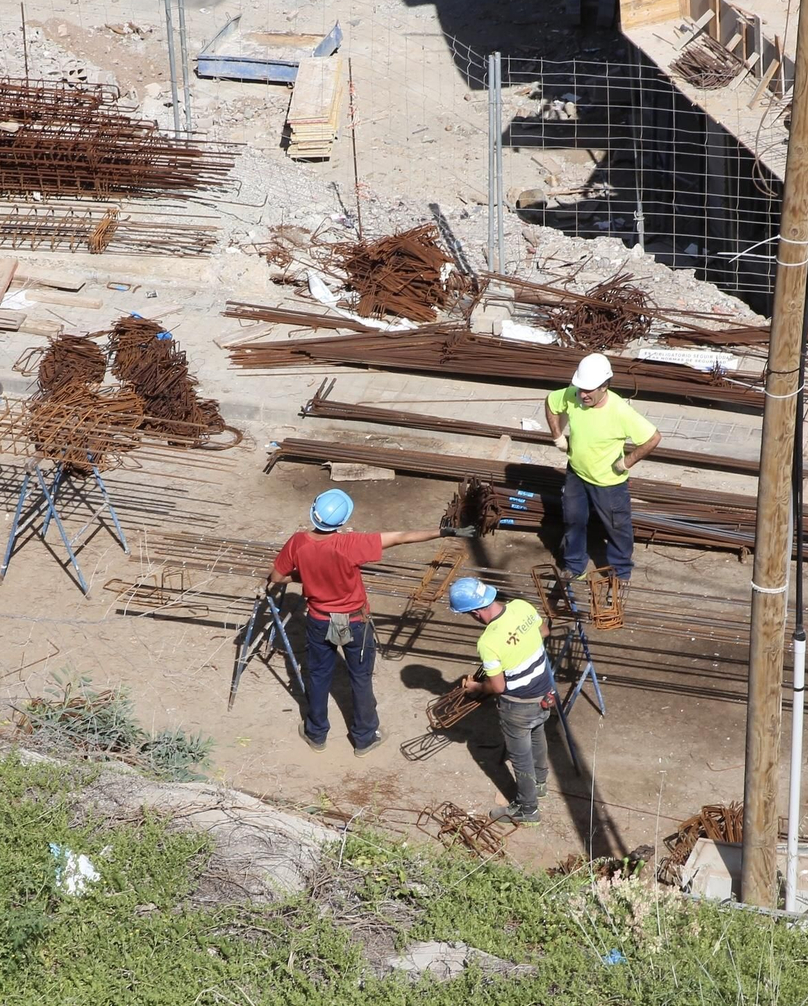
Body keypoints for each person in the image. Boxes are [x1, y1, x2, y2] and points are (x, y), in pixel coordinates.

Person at [268, 489, 474, 756]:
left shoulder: (298, 543)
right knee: (360, 678)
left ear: (314, 513)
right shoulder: (350, 545)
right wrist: (444, 532)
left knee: (318, 677)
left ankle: (316, 733)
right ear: (341, 522)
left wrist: (305, 577)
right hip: (355, 622)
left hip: (319, 620)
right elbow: (400, 538)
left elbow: (276, 576)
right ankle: (365, 737)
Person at [543, 352, 662, 582]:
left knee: (617, 529)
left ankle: (620, 574)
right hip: (577, 474)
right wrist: (557, 435)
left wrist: (627, 461)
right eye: (580, 388)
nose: (582, 394)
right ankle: (574, 565)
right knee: (573, 520)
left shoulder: (620, 411)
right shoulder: (573, 394)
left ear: (605, 386)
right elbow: (550, 402)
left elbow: (653, 438)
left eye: (589, 390)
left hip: (609, 483)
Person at [448, 577, 555, 825]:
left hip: (518, 704)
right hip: (545, 690)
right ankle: (539, 783)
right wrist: (520, 651)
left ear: (475, 613)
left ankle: (528, 809)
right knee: (538, 734)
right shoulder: (521, 606)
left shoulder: (488, 642)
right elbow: (544, 632)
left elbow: (498, 686)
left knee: (520, 754)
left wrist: (475, 686)